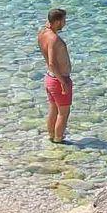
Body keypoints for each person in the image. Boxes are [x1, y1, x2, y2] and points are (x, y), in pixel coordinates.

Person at [38, 8, 73, 144]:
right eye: (64, 20)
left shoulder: (43, 33)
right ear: (57, 22)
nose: (65, 23)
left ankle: (51, 136)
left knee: (53, 109)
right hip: (58, 79)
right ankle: (58, 140)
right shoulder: (54, 39)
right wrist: (63, 82)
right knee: (63, 113)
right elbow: (52, 63)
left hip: (49, 78)